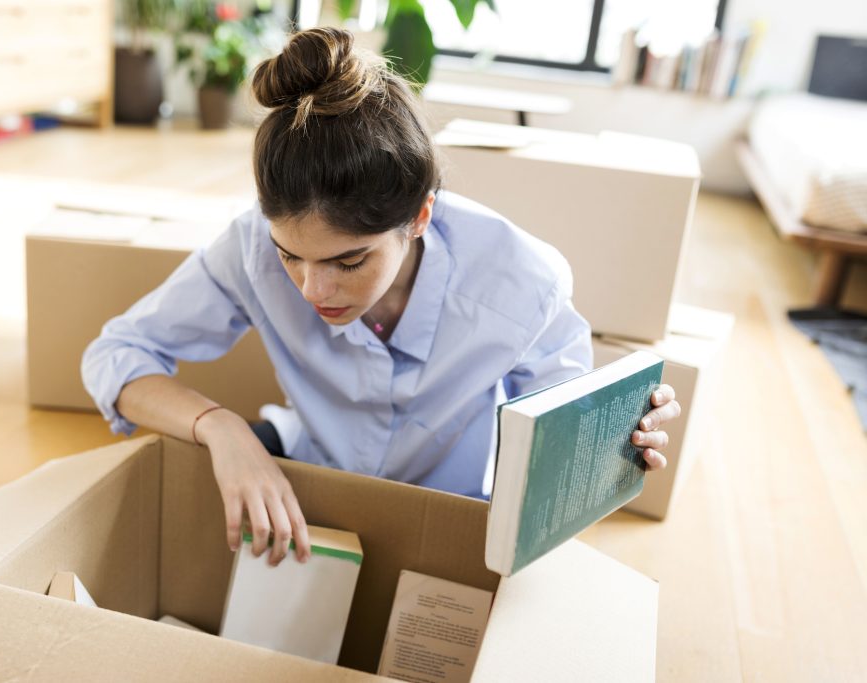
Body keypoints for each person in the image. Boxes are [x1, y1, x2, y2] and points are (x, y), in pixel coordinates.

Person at [82, 27, 681, 569]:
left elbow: (555, 450)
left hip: (446, 509)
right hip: (304, 476)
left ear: (419, 216)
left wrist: (615, 446)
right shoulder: (248, 247)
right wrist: (221, 430)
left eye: (348, 261)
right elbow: (116, 354)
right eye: (290, 255)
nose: (313, 290)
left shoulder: (522, 283)